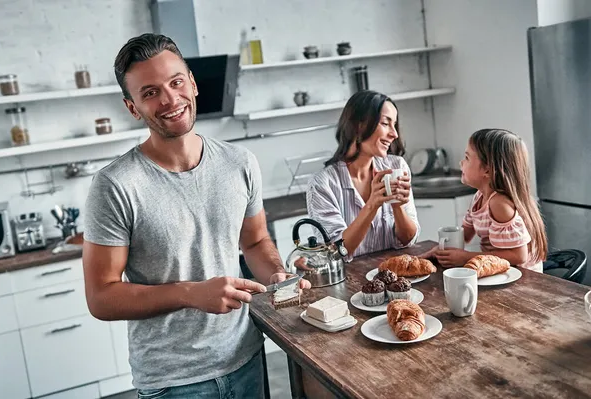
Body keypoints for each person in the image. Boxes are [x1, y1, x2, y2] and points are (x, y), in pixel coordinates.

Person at [82, 33, 309, 398]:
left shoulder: (240, 163)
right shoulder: (115, 185)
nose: (170, 100)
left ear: (192, 83)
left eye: (175, 82)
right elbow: (101, 297)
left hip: (246, 357)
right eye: (150, 92)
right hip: (173, 382)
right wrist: (191, 293)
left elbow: (254, 240)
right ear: (132, 107)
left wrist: (277, 275)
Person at [306, 90, 420, 259]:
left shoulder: (397, 166)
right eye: (385, 123)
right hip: (349, 283)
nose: (394, 134)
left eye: (394, 125)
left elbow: (408, 240)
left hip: (394, 278)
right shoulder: (322, 184)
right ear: (359, 126)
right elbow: (335, 253)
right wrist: (372, 205)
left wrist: (397, 206)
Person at [435, 128, 548, 271]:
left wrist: (465, 257)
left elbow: (519, 256)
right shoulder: (479, 196)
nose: (461, 163)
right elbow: (465, 235)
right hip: (500, 271)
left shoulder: (499, 203)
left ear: (487, 170)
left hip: (522, 278)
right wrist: (440, 248)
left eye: (467, 158)